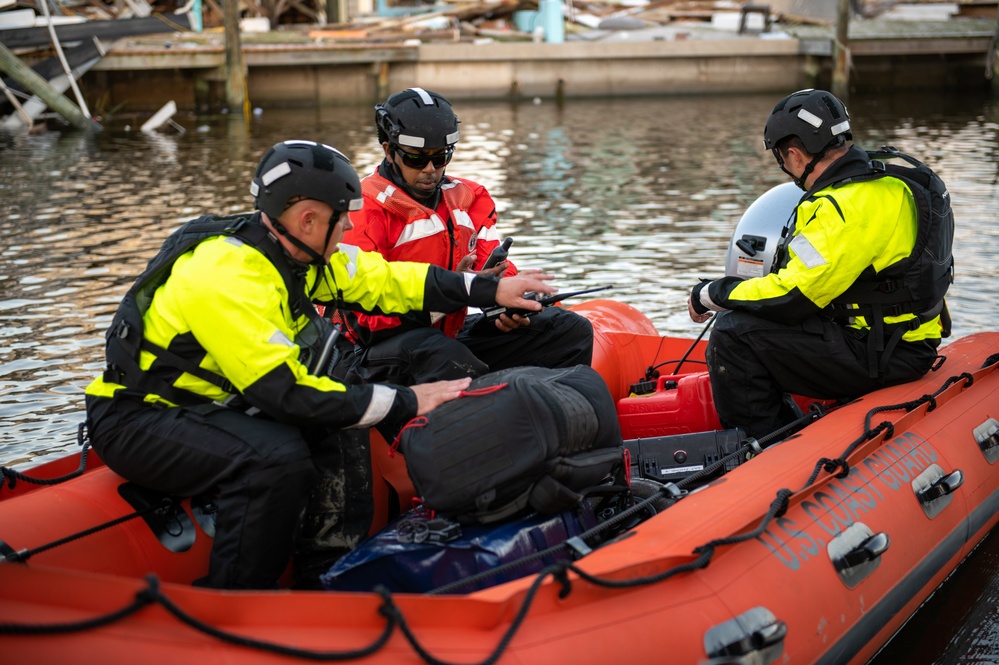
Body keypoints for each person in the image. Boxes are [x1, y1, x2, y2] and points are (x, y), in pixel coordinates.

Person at [84, 139, 558, 590]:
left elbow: (385, 279)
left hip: (210, 403)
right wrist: (407, 400)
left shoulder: (295, 250)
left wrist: (487, 289)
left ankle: (326, 567)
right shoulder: (226, 276)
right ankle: (239, 598)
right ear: (309, 219)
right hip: (141, 417)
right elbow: (285, 393)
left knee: (340, 404)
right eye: (344, 218)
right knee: (273, 459)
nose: (352, 229)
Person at [688, 89, 952, 440]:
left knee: (732, 332)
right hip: (912, 337)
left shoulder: (838, 208)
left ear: (795, 156)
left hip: (884, 353)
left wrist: (712, 293)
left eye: (782, 159)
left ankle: (764, 447)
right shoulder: (894, 182)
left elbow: (792, 296)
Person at [330, 87, 593, 387]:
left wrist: (506, 307)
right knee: (444, 356)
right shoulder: (363, 211)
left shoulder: (469, 199)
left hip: (444, 334)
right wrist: (457, 291)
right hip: (368, 353)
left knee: (569, 330)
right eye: (417, 159)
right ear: (389, 150)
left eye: (441, 157)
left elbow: (491, 268)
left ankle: (566, 416)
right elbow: (370, 327)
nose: (430, 170)